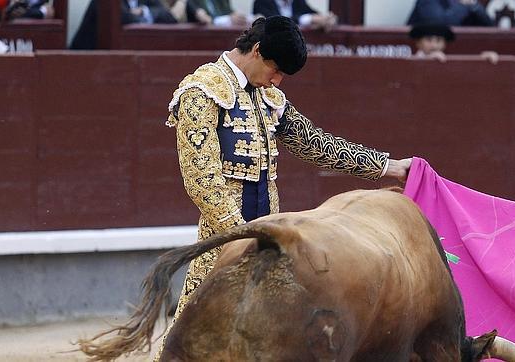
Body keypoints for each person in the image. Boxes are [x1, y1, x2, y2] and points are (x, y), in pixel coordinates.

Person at [155, 15, 411, 359]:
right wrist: (242, 238)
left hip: (271, 244)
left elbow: (315, 144)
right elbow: (203, 180)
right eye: (275, 70)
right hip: (222, 246)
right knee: (192, 342)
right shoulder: (202, 92)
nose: (276, 81)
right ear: (257, 50)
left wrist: (389, 167)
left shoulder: (268, 96)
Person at [70, 0, 177, 50]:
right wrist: (146, 17)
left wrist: (144, 12)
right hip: (87, 57)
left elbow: (169, 17)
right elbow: (126, 18)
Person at [409, 23, 499, 63]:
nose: (434, 45)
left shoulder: (449, 60)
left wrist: (482, 61)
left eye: (438, 40)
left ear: (444, 44)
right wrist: (427, 61)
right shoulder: (409, 62)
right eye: (428, 40)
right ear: (418, 43)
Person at [253, 0, 337, 31]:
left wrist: (327, 19)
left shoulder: (297, 1)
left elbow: (312, 13)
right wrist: (309, 19)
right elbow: (276, 21)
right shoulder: (261, 2)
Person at [407, 0, 494, 27]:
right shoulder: (427, 1)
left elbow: (489, 27)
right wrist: (463, 5)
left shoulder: (470, 4)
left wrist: (474, 5)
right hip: (423, 53)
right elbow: (440, 23)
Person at [188, 0, 254, 26]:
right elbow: (207, 20)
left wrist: (239, 17)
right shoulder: (192, 1)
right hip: (203, 35)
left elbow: (230, 11)